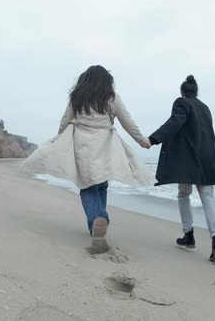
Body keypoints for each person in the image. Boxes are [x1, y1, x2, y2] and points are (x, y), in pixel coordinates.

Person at [21, 65, 153, 253]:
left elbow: (64, 120)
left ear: (85, 79)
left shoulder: (77, 97)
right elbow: (127, 120)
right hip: (106, 144)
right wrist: (141, 139)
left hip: (81, 144)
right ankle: (98, 224)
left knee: (87, 186)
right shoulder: (111, 97)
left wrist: (59, 139)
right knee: (101, 185)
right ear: (107, 81)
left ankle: (98, 220)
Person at [141, 75, 215, 263]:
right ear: (196, 92)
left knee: (184, 193)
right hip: (208, 157)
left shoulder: (181, 102)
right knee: (208, 197)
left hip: (189, 158)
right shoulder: (204, 108)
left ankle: (188, 235)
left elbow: (175, 122)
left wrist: (153, 139)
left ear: (182, 92)